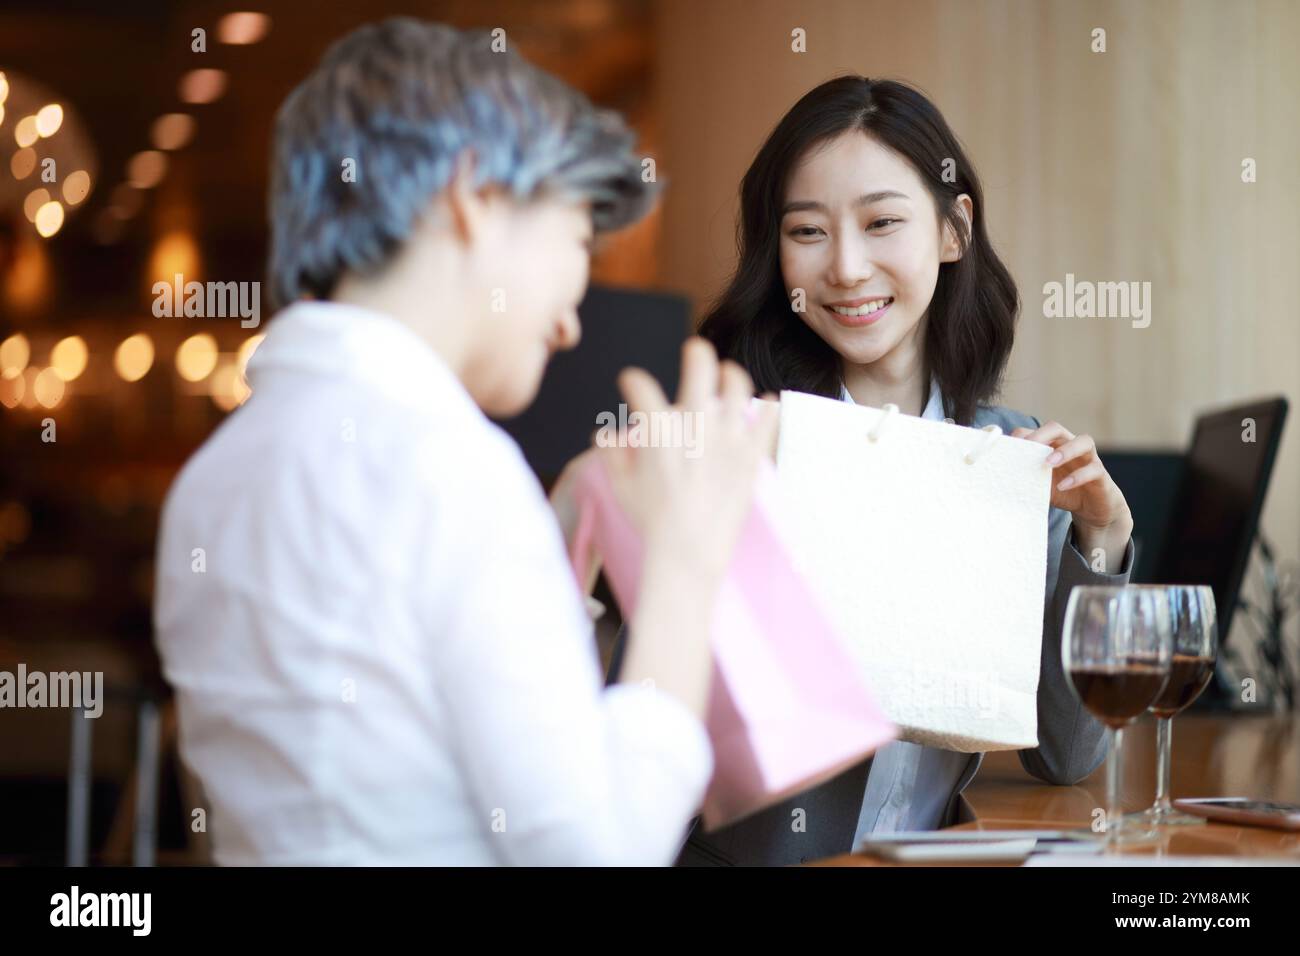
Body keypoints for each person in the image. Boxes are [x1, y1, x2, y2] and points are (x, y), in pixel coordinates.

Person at [153, 17, 776, 866]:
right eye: (576, 244)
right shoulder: (448, 466)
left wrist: (551, 537)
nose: (568, 322)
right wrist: (685, 567)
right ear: (474, 196)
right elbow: (597, 851)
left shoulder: (215, 475)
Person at [676, 76, 1137, 865]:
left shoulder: (1007, 459)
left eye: (882, 221)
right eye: (808, 232)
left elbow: (1068, 754)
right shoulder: (739, 438)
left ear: (954, 231)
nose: (848, 268)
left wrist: (1102, 535)